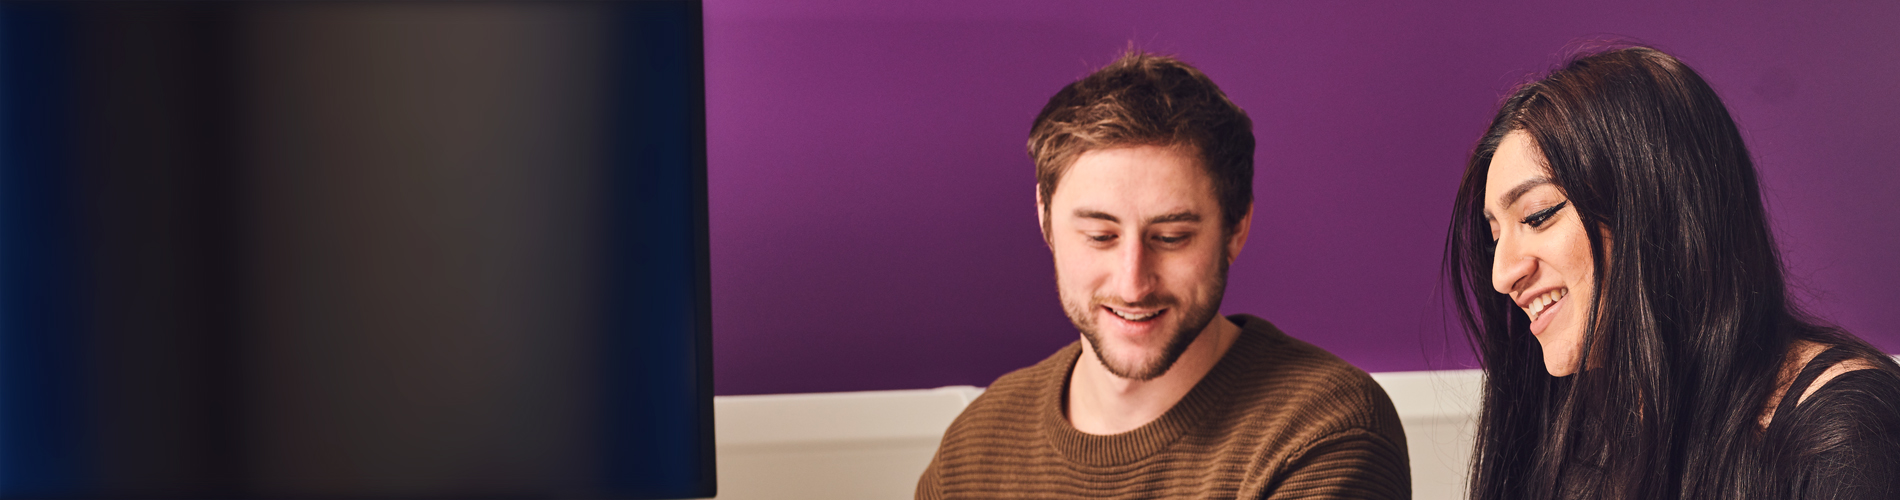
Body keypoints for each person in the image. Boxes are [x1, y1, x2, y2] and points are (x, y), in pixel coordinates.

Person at [915, 51, 1409, 499]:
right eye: (1099, 236)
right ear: (1045, 219)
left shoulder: (1324, 432)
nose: (1133, 283)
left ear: (1236, 228)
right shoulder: (974, 449)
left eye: (1171, 238)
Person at [1444, 46, 1900, 499]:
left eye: (1538, 215)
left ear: (1655, 205)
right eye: (1494, 237)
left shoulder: (1847, 435)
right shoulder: (1580, 433)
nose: (1502, 276)